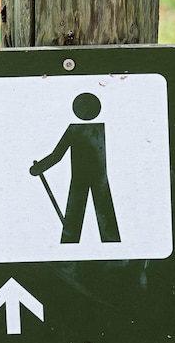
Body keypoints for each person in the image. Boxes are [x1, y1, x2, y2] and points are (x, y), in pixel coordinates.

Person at [30, 92, 120, 244]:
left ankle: (70, 246)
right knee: (107, 222)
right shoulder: (99, 129)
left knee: (72, 226)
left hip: (80, 179)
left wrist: (38, 168)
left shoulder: (74, 130)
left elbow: (56, 156)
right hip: (99, 178)